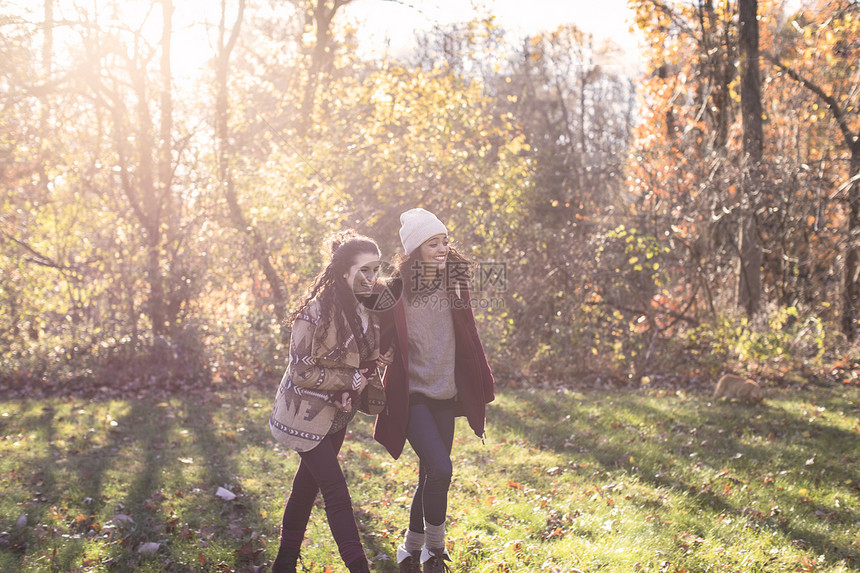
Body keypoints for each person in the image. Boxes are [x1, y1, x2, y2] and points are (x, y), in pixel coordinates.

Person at [374, 208, 495, 573]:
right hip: (411, 396)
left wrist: (479, 380)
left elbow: (469, 335)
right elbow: (378, 336)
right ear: (414, 250)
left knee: (430, 473)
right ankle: (435, 552)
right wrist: (382, 351)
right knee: (442, 469)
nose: (442, 248)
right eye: (433, 243)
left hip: (445, 393)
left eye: (444, 241)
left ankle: (410, 548)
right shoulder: (395, 291)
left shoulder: (455, 284)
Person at [269, 230, 388, 573]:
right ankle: (359, 568)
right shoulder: (314, 312)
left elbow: (367, 351)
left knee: (305, 487)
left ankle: (284, 564)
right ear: (343, 272)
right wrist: (351, 379)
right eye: (364, 270)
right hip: (302, 415)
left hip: (338, 415)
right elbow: (301, 371)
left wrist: (381, 356)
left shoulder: (368, 307)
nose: (372, 277)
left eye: (375, 269)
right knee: (336, 491)